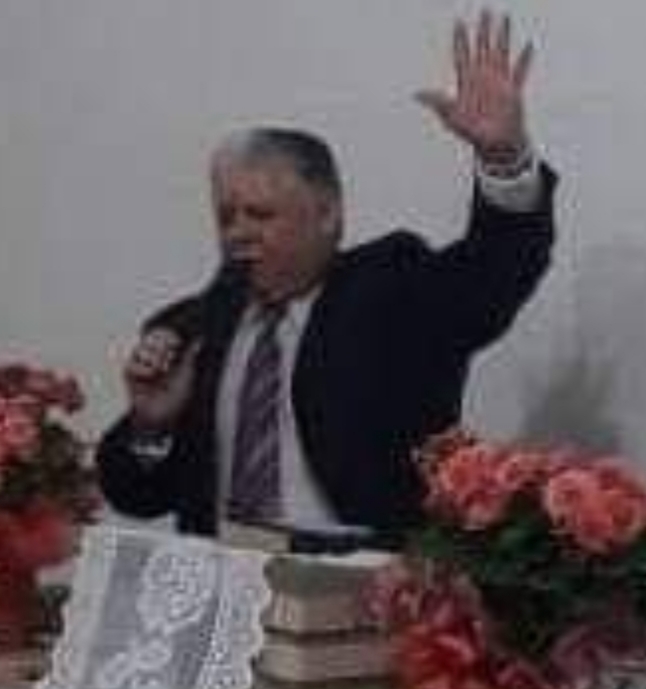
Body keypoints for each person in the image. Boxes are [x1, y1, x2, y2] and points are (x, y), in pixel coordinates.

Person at [96, 12, 557, 542]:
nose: (238, 233)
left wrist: (503, 158)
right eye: (226, 217)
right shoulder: (190, 327)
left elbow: (495, 267)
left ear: (327, 213)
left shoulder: (392, 291)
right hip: (220, 579)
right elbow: (136, 497)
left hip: (359, 579)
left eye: (260, 214)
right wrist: (150, 426)